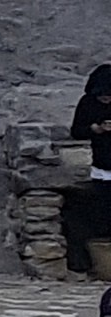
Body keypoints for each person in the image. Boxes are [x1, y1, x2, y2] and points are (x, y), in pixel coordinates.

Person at [67, 68, 111, 275]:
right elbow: (76, 131)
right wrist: (96, 129)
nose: (106, 99)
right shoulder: (88, 104)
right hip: (101, 166)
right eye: (102, 95)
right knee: (102, 212)